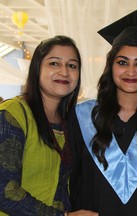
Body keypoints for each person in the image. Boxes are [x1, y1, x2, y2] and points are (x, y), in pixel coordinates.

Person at [69, 9, 137, 216]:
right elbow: (69, 177)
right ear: (110, 66)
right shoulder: (82, 116)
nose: (131, 71)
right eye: (122, 62)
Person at [0, 35, 97, 216]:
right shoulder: (13, 114)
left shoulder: (69, 121)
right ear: (37, 69)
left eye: (72, 65)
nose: (64, 71)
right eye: (54, 63)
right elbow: (4, 192)